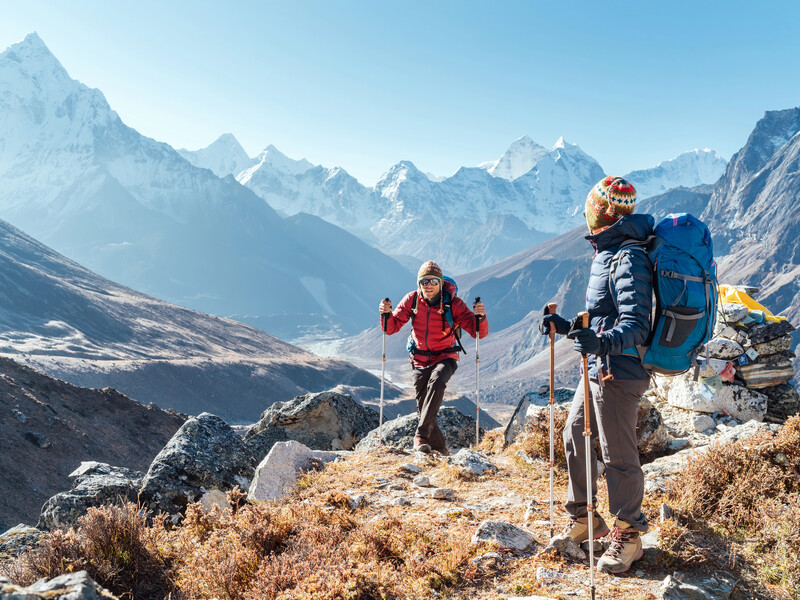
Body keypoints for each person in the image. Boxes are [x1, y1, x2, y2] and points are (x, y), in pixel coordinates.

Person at [540, 176, 654, 574]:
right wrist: (568, 326)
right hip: (598, 366)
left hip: (620, 371)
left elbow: (637, 325)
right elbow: (604, 320)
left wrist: (601, 344)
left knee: (618, 455)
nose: (585, 215)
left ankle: (629, 535)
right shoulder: (607, 252)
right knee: (574, 434)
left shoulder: (629, 257)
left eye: (590, 208)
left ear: (601, 213)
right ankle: (586, 517)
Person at [379, 260, 488, 455]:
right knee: (424, 408)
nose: (428, 285)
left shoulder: (453, 304)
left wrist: (480, 317)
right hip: (419, 358)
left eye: (432, 281)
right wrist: (385, 314)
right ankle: (440, 450)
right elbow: (391, 328)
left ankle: (420, 436)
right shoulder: (412, 300)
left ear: (440, 282)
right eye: (424, 281)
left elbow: (477, 331)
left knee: (437, 382)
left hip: (446, 356)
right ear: (419, 283)